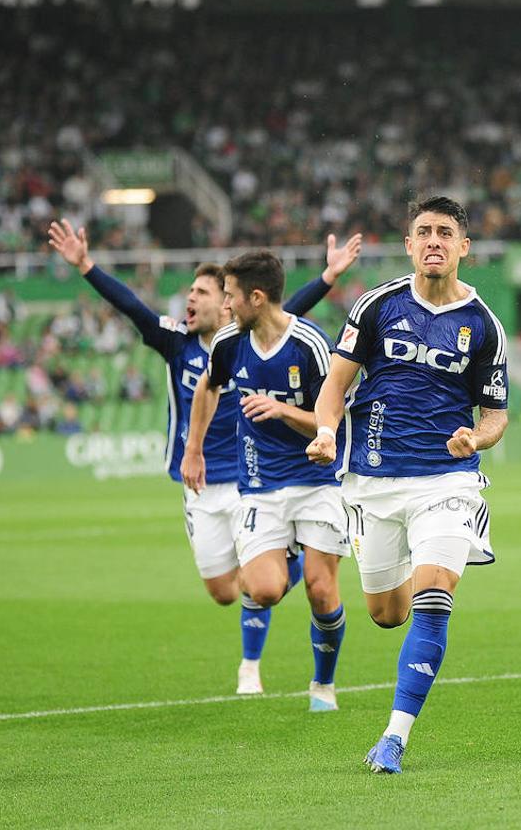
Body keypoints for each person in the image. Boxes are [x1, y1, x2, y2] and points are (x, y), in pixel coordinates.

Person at [48, 219, 360, 694]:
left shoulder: (260, 331)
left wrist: (328, 277)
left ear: (230, 300)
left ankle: (264, 665)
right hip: (200, 482)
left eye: (203, 292)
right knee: (225, 592)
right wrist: (86, 265)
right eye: (188, 292)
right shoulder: (182, 343)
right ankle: (287, 558)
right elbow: (132, 306)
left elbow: (288, 311)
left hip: (253, 477)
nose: (189, 300)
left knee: (286, 589)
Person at [307, 196, 508, 774]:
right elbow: (335, 385)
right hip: (373, 479)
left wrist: (478, 438)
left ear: (464, 247)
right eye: (423, 231)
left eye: (445, 232)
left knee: (435, 596)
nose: (433, 241)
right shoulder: (376, 306)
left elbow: (495, 412)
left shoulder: (483, 325)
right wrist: (325, 431)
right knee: (387, 613)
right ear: (409, 243)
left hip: (447, 479)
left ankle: (395, 736)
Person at [181, 249, 352, 712]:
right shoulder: (227, 344)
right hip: (260, 482)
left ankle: (322, 686)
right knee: (265, 589)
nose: (226, 306)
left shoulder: (311, 345)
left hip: (317, 479)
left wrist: (282, 411)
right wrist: (193, 448)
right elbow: (209, 387)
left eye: (231, 296)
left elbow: (330, 416)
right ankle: (289, 549)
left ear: (257, 297)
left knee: (321, 589)